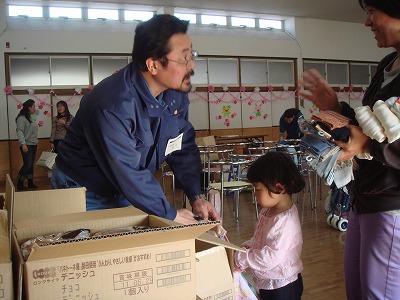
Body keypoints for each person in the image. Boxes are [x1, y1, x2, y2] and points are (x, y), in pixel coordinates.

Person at [51, 14, 220, 225]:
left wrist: (197, 196)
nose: (192, 65)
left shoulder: (175, 95)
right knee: (98, 252)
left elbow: (180, 146)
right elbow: (126, 169)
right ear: (153, 65)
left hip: (126, 186)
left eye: (192, 54)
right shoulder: (112, 105)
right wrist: (171, 214)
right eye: (184, 58)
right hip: (83, 188)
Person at [299, 1, 400, 299]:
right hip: (365, 196)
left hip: (391, 203)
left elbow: (375, 139)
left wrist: (367, 145)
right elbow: (372, 125)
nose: (367, 23)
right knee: (357, 290)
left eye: (372, 12)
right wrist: (336, 110)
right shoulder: (387, 66)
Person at [234, 152, 305, 300]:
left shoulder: (284, 221)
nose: (254, 194)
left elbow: (269, 258)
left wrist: (241, 258)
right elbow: (260, 239)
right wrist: (245, 248)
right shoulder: (268, 210)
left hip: (283, 286)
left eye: (258, 189)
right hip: (269, 282)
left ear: (278, 187)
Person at [15, 99, 38, 191]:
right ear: (29, 107)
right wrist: (23, 144)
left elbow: (32, 130)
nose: (34, 108)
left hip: (33, 144)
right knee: (27, 164)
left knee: (30, 164)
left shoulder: (30, 117)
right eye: (33, 106)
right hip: (26, 144)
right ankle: (19, 183)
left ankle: (30, 182)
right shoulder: (22, 118)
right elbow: (19, 131)